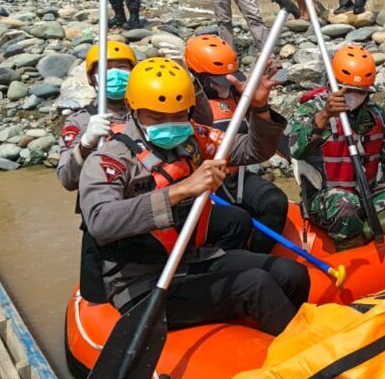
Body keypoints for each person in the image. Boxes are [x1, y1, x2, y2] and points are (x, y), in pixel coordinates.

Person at [79, 58, 309, 333]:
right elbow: (101, 221)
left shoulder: (191, 140)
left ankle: (268, 335)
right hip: (144, 281)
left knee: (291, 273)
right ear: (132, 109)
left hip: (191, 259)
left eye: (178, 115)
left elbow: (253, 151)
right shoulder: (110, 159)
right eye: (157, 117)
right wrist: (181, 189)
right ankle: (301, 354)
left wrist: (258, 110)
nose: (171, 124)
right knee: (255, 285)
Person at [184, 34, 290, 254]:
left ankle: (259, 255)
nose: (226, 85)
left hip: (236, 178)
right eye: (217, 80)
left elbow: (263, 140)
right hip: (203, 184)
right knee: (234, 219)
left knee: (275, 201)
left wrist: (259, 106)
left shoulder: (238, 95)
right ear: (197, 77)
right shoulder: (187, 105)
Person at [288, 44, 385, 245]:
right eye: (347, 90)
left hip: (370, 191)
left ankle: (372, 236)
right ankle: (348, 248)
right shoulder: (312, 109)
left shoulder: (375, 114)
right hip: (327, 196)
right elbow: (295, 150)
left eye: (360, 92)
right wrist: (324, 116)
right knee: (345, 204)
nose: (353, 96)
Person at [58, 41, 139, 301]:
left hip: (143, 209)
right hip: (101, 218)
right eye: (106, 69)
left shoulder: (149, 114)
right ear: (93, 79)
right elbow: (67, 179)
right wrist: (86, 143)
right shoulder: (80, 121)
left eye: (122, 68)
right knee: (96, 295)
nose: (115, 74)